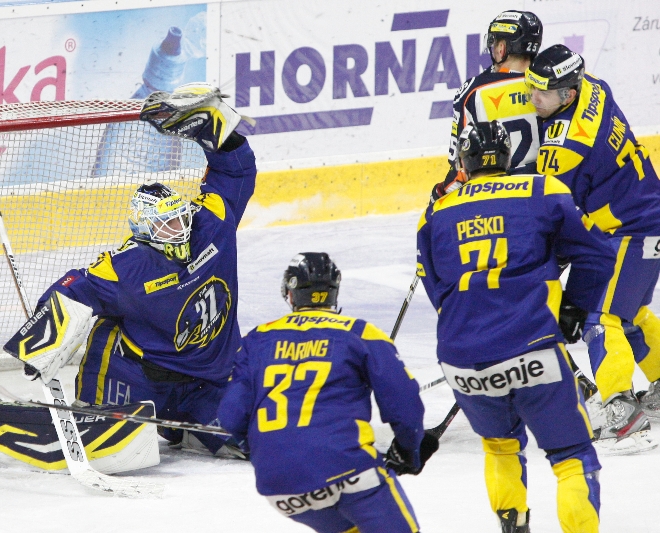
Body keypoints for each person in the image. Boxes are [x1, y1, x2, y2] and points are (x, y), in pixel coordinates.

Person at [5, 83, 255, 457]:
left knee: (254, 441)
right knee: (105, 438)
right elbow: (75, 288)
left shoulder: (213, 224)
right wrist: (40, 340)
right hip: (141, 379)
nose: (179, 229)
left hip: (209, 380)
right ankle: (95, 413)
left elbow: (236, 172)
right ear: (144, 231)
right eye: (167, 225)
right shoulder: (128, 267)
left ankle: (185, 428)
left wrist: (219, 135)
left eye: (180, 217)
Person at [418, 121, 611, 532]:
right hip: (533, 346)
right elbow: (597, 253)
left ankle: (513, 524)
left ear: (464, 161)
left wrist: (470, 330)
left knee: (500, 447)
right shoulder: (543, 190)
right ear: (507, 157)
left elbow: (435, 288)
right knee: (572, 455)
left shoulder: (435, 211)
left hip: (462, 359)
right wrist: (574, 307)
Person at [217, 252, 436, 533]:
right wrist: (409, 450)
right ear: (334, 291)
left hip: (280, 486)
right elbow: (404, 403)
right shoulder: (360, 333)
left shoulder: (257, 339)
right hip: (348, 470)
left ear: (290, 293)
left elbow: (231, 416)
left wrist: (262, 450)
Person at [525, 45, 660, 452]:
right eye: (531, 87)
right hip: (643, 215)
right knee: (628, 313)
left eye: (541, 93)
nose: (532, 99)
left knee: (600, 318)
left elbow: (557, 213)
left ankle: (621, 411)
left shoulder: (565, 148)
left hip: (630, 229)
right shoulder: (595, 87)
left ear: (567, 94)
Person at [432, 10, 543, 202]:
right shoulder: (553, 84)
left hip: (497, 198)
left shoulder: (473, 91)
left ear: (501, 48)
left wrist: (438, 197)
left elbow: (460, 166)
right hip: (547, 190)